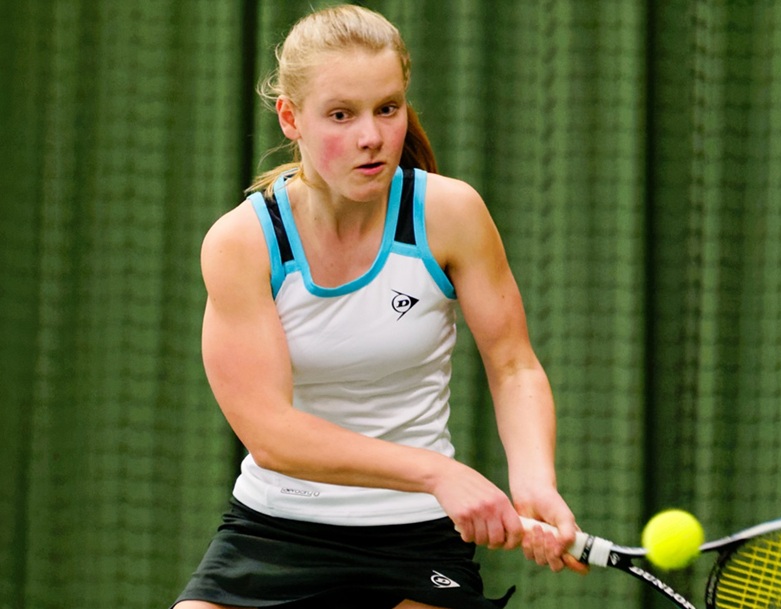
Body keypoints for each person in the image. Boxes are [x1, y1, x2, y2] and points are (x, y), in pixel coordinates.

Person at [172, 4, 584, 609]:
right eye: (341, 114)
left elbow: (513, 363)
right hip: (275, 530)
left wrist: (533, 482)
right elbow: (272, 435)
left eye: (387, 109)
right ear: (291, 117)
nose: (371, 137)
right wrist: (439, 474)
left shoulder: (451, 214)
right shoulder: (242, 243)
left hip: (416, 541)